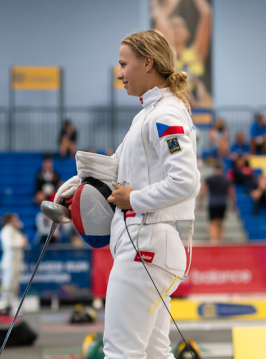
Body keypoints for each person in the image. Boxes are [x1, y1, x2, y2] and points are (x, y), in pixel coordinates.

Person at [56, 29, 200, 358]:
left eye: (123, 64)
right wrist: (78, 184)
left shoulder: (165, 114)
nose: (119, 74)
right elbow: (115, 167)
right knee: (153, 352)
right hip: (147, 245)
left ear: (148, 63)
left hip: (146, 244)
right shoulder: (147, 114)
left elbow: (186, 181)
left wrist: (132, 198)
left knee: (121, 352)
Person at [151, 0, 213, 108]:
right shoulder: (165, 59)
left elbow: (207, 14)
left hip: (198, 111)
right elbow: (159, 17)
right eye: (173, 25)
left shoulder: (196, 53)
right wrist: (172, 0)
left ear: (188, 33)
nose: (177, 28)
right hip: (175, 108)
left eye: (180, 25)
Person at [199, 164, 235, 243]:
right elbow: (231, 193)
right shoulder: (226, 180)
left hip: (213, 203)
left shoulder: (210, 179)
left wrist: (200, 203)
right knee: (220, 223)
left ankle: (214, 241)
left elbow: (204, 190)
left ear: (215, 169)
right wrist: (233, 205)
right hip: (223, 203)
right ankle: (220, 241)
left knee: (213, 223)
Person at [0, 213, 27, 315]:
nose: (17, 221)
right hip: (9, 263)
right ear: (10, 220)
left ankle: (11, 308)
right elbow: (9, 244)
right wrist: (21, 242)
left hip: (16, 262)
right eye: (15, 219)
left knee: (14, 286)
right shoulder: (6, 230)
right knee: (8, 286)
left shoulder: (15, 231)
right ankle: (5, 307)